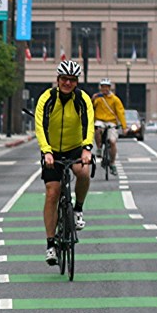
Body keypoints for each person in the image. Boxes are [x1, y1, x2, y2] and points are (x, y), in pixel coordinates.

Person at [34, 60, 94, 265]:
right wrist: (46, 151)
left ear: (77, 82)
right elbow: (40, 126)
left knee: (84, 172)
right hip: (52, 151)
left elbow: (88, 124)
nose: (68, 83)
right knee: (52, 193)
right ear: (58, 80)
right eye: (64, 79)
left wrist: (87, 148)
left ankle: (78, 208)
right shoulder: (47, 98)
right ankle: (51, 244)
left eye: (72, 80)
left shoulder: (82, 99)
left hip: (76, 146)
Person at [92, 78, 127, 176]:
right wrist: (92, 99)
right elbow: (90, 109)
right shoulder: (98, 98)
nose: (104, 89)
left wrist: (124, 126)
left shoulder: (115, 99)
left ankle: (112, 163)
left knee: (112, 141)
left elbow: (120, 113)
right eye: (102, 87)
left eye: (106, 87)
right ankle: (99, 148)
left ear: (109, 88)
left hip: (111, 122)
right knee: (98, 128)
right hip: (100, 120)